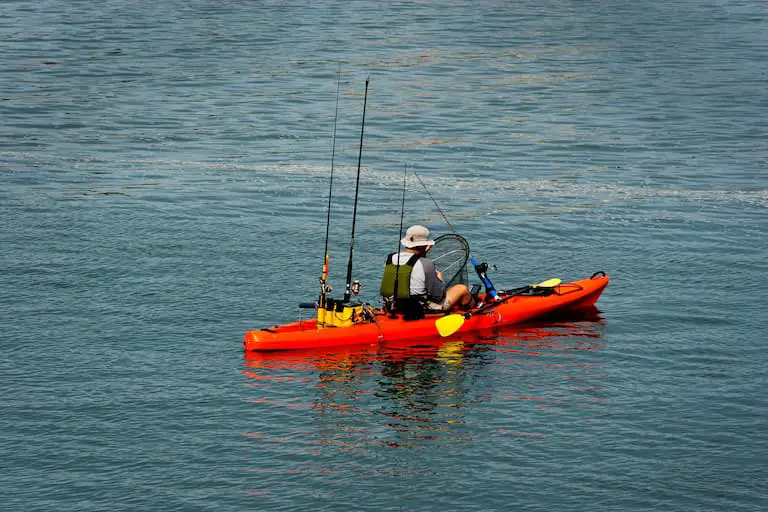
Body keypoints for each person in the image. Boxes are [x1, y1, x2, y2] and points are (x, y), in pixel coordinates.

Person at [379, 225, 474, 319]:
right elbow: (438, 296)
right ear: (424, 245)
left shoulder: (389, 258)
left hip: (393, 305)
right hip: (420, 309)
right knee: (462, 289)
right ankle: (474, 313)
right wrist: (440, 278)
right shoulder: (426, 263)